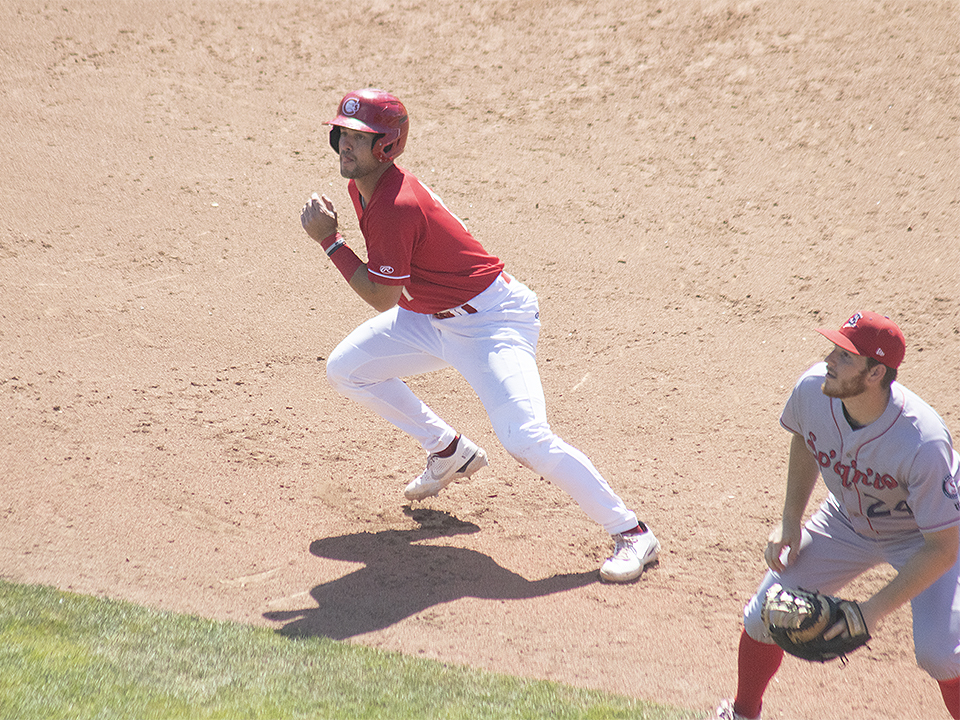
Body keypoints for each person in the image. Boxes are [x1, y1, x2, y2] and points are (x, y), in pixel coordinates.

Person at [298, 88, 660, 583]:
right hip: (429, 318)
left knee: (525, 438)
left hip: (491, 324)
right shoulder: (364, 188)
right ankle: (448, 450)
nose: (345, 144)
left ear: (387, 146)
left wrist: (330, 242)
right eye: (342, 133)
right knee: (347, 370)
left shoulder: (394, 203)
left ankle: (633, 533)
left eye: (358, 138)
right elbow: (397, 289)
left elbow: (381, 296)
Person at [712, 311, 960, 719]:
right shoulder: (815, 390)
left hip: (923, 536)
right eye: (834, 349)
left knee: (940, 653)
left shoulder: (922, 441)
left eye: (845, 356)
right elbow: (808, 439)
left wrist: (871, 610)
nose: (829, 359)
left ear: (875, 372)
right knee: (765, 614)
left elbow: (943, 548)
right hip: (846, 520)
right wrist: (790, 520)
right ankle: (742, 713)